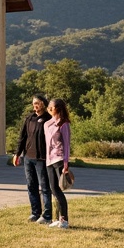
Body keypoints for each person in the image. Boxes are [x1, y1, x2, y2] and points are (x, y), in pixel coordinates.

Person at [13, 94, 52, 223]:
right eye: (33, 103)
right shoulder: (29, 118)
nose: (34, 105)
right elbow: (22, 137)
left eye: (37, 102)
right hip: (28, 157)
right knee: (31, 185)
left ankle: (47, 216)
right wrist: (17, 154)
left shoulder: (48, 119)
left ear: (43, 104)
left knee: (45, 187)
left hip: (42, 158)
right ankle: (35, 212)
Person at [44, 98, 72, 229]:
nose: (49, 108)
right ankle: (56, 218)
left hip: (59, 159)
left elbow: (66, 145)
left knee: (59, 190)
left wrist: (66, 163)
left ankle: (64, 220)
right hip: (49, 160)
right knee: (53, 189)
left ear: (58, 108)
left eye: (51, 106)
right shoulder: (48, 124)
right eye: (48, 106)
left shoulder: (64, 124)